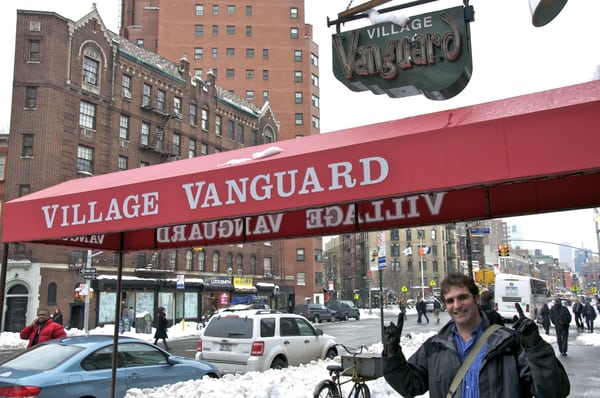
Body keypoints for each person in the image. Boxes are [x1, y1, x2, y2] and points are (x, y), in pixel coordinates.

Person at [382, 272, 570, 398]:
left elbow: (555, 391)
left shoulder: (509, 343)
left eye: (462, 297)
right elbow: (410, 385)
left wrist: (535, 347)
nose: (456, 305)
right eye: (450, 301)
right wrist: (392, 353)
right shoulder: (434, 347)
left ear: (477, 299)